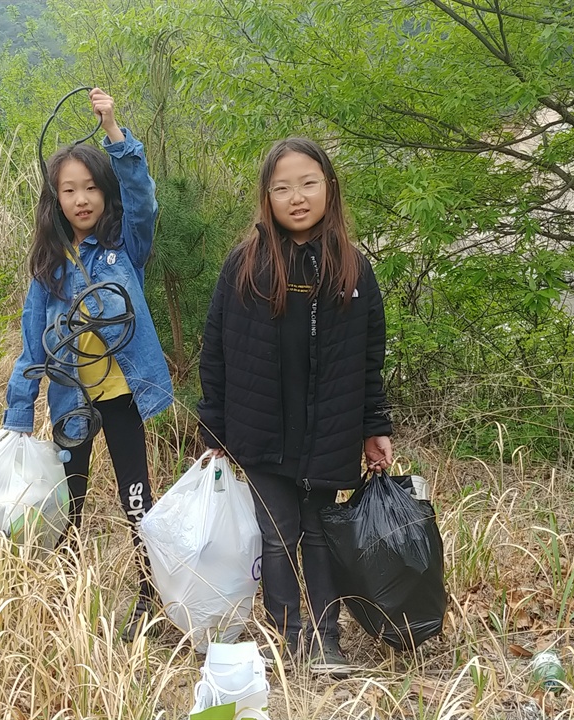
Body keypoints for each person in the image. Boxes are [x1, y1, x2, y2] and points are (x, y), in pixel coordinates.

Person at [197, 137, 393, 675]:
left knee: (320, 533)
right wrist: (213, 428)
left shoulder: (352, 269)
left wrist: (374, 426)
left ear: (329, 188)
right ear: (267, 197)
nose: (297, 197)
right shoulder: (246, 265)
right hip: (261, 429)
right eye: (282, 187)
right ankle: (290, 639)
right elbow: (215, 347)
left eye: (308, 183)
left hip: (328, 428)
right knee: (278, 534)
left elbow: (369, 359)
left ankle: (328, 637)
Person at [3, 88, 173, 642]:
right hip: (69, 400)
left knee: (135, 496)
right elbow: (33, 345)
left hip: (122, 394)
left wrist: (114, 130)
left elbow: (143, 199)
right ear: (54, 199)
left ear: (105, 193)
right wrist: (17, 416)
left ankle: (149, 593)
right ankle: (67, 594)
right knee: (68, 499)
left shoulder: (124, 247)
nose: (81, 199)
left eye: (91, 187)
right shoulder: (48, 267)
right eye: (68, 190)